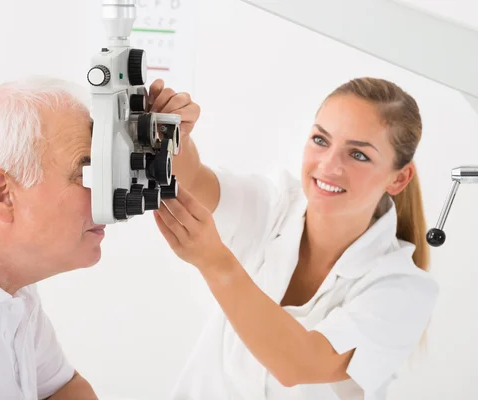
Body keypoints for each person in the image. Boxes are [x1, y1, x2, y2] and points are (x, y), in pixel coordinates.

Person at [0, 76, 200, 400]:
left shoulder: (3, 269)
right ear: (4, 194)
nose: (107, 205)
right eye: (86, 174)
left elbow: (64, 391)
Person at [149, 77, 439, 399]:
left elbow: (297, 364)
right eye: (320, 140)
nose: (329, 165)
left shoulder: (402, 288)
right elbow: (194, 179)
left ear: (399, 178)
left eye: (358, 155)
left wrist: (215, 263)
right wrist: (176, 135)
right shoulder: (275, 204)